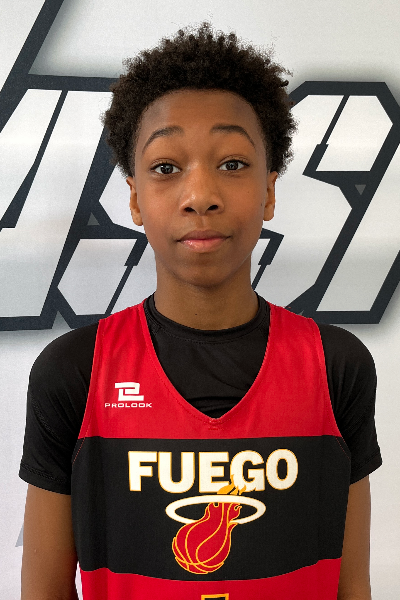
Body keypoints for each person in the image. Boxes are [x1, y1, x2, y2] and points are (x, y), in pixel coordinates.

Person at [20, 21, 382, 600]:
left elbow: (352, 586)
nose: (200, 195)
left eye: (232, 164)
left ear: (269, 191)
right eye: (166, 167)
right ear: (135, 198)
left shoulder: (337, 366)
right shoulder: (74, 373)